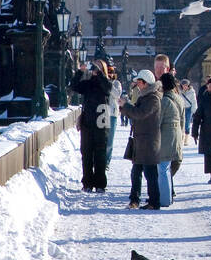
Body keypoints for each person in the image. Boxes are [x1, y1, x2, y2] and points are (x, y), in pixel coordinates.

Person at [120, 70, 163, 209]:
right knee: (136, 172)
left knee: (150, 173)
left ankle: (154, 202)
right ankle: (134, 200)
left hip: (149, 141)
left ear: (146, 83)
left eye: (139, 82)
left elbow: (140, 114)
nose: (137, 84)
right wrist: (125, 107)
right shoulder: (144, 96)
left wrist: (125, 106)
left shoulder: (153, 98)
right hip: (141, 140)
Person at [69, 58, 112, 193]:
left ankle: (100, 183)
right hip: (88, 120)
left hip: (101, 119)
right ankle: (87, 182)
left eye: (98, 67)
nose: (95, 70)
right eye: (94, 67)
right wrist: (80, 72)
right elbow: (74, 86)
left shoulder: (106, 82)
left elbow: (108, 89)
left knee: (100, 153)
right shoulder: (88, 84)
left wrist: (99, 74)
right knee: (86, 152)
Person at [157, 71, 185, 205]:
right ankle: (168, 194)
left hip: (167, 135)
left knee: (163, 167)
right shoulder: (179, 99)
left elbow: (158, 121)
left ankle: (164, 199)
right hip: (178, 134)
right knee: (172, 165)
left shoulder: (164, 101)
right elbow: (183, 120)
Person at [105, 65, 122, 169]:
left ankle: (107, 161)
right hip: (102, 113)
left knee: (110, 140)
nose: (110, 74)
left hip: (112, 114)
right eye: (108, 71)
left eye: (111, 72)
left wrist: (109, 84)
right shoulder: (102, 82)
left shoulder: (116, 83)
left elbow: (117, 94)